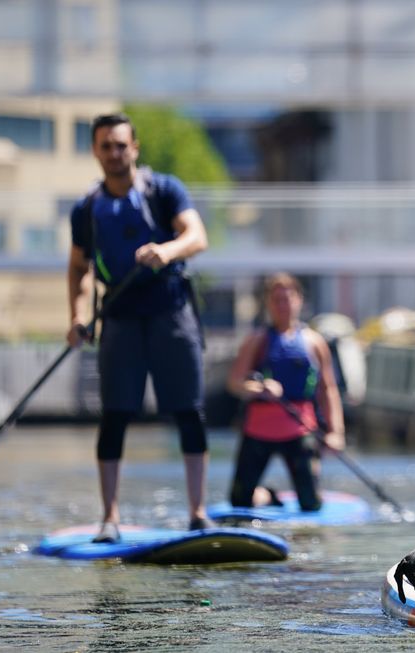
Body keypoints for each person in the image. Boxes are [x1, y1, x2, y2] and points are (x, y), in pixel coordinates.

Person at [66, 113, 213, 543]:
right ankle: (109, 517)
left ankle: (197, 513)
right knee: (114, 416)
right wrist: (76, 316)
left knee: (189, 412)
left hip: (171, 311)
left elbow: (197, 236)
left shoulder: (165, 190)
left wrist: (166, 251)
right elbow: (78, 269)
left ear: (135, 147)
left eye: (120, 145)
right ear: (96, 152)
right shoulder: (87, 209)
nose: (114, 153)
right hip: (119, 316)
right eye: (105, 146)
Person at [226, 273, 345, 511]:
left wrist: (336, 432)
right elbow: (235, 383)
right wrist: (259, 388)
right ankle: (267, 496)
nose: (283, 305)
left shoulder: (314, 341)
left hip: (299, 431)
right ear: (269, 304)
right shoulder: (257, 340)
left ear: (299, 300)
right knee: (239, 501)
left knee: (310, 504)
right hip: (258, 431)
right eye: (276, 300)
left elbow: (327, 390)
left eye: (287, 298)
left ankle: (304, 491)